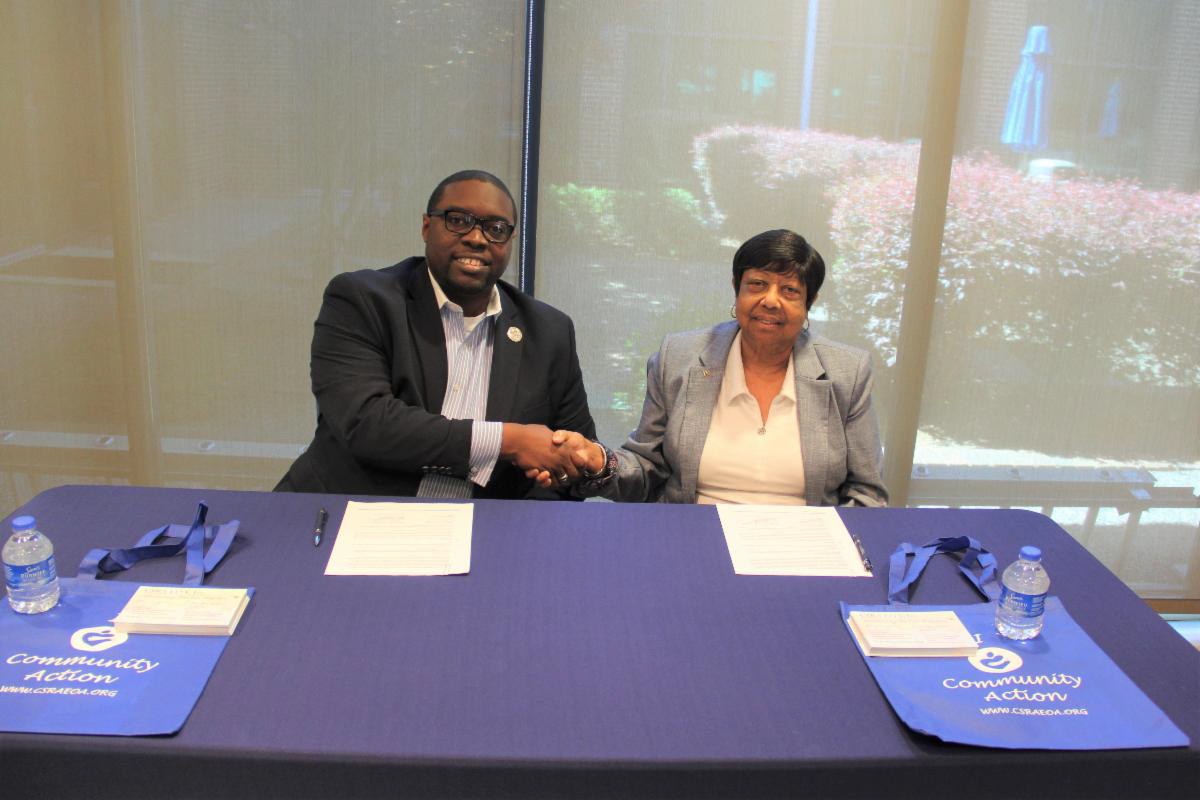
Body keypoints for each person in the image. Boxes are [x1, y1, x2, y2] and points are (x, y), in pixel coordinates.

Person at [276, 170, 596, 499]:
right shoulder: (362, 299)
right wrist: (509, 441)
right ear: (427, 227)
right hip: (348, 511)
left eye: (496, 229)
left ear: (510, 242)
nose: (477, 238)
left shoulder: (549, 331)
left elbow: (577, 462)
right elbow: (367, 424)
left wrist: (535, 507)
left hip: (481, 528)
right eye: (459, 220)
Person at [539, 229, 887, 506]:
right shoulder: (680, 357)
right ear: (737, 291)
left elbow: (866, 493)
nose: (770, 300)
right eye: (758, 284)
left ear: (808, 304)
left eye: (790, 290)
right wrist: (597, 460)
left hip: (803, 549)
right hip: (694, 542)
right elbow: (646, 471)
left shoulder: (847, 372)